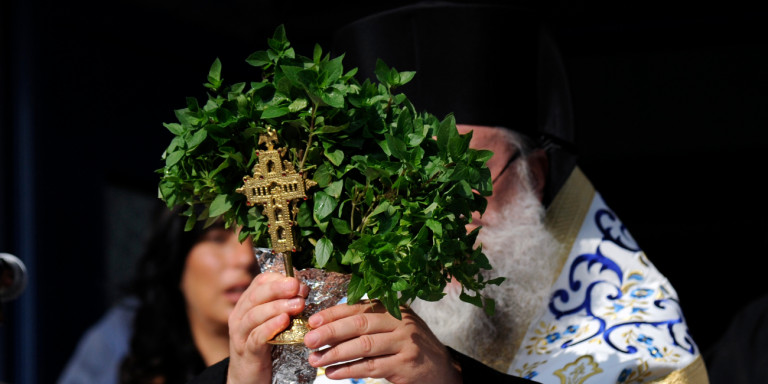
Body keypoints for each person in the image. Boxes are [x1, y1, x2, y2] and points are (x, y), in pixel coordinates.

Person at [187, 2, 709, 383]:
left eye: (469, 183)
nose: (436, 229)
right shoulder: (330, 332)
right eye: (399, 191)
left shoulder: (631, 336)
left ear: (536, 174)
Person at [57, 204, 260, 384]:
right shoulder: (122, 337)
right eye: (217, 238)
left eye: (259, 239)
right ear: (176, 258)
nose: (246, 257)